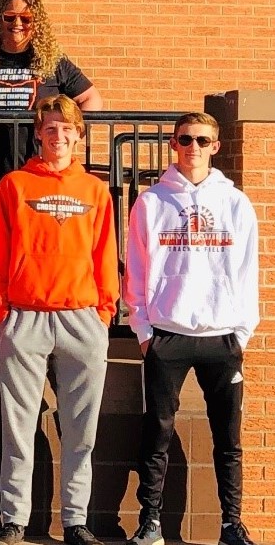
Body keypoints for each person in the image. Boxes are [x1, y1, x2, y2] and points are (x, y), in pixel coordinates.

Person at [0, 95, 117, 545]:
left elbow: (106, 254)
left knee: (82, 429)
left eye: (67, 129)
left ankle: (76, 520)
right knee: (18, 425)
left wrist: (104, 311)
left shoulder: (96, 190)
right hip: (25, 317)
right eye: (50, 128)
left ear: (79, 135)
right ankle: (14, 519)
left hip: (82, 319)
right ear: (38, 134)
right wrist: (1, 307)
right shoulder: (14, 186)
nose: (58, 136)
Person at [124, 113, 258, 545]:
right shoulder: (152, 202)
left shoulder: (235, 204)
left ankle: (230, 524)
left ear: (215, 146)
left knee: (228, 438)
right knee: (157, 432)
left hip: (221, 335)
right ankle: (150, 523)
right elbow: (137, 269)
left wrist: (241, 332)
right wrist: (144, 329)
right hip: (168, 332)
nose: (193, 147)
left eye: (202, 140)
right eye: (185, 139)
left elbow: (247, 270)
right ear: (174, 145)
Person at [0, 0, 104, 357]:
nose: (16, 25)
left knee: (28, 246)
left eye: (25, 19)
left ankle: (32, 318)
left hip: (35, 169)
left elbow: (92, 98)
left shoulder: (53, 62)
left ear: (36, 23)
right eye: (9, 18)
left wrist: (68, 134)